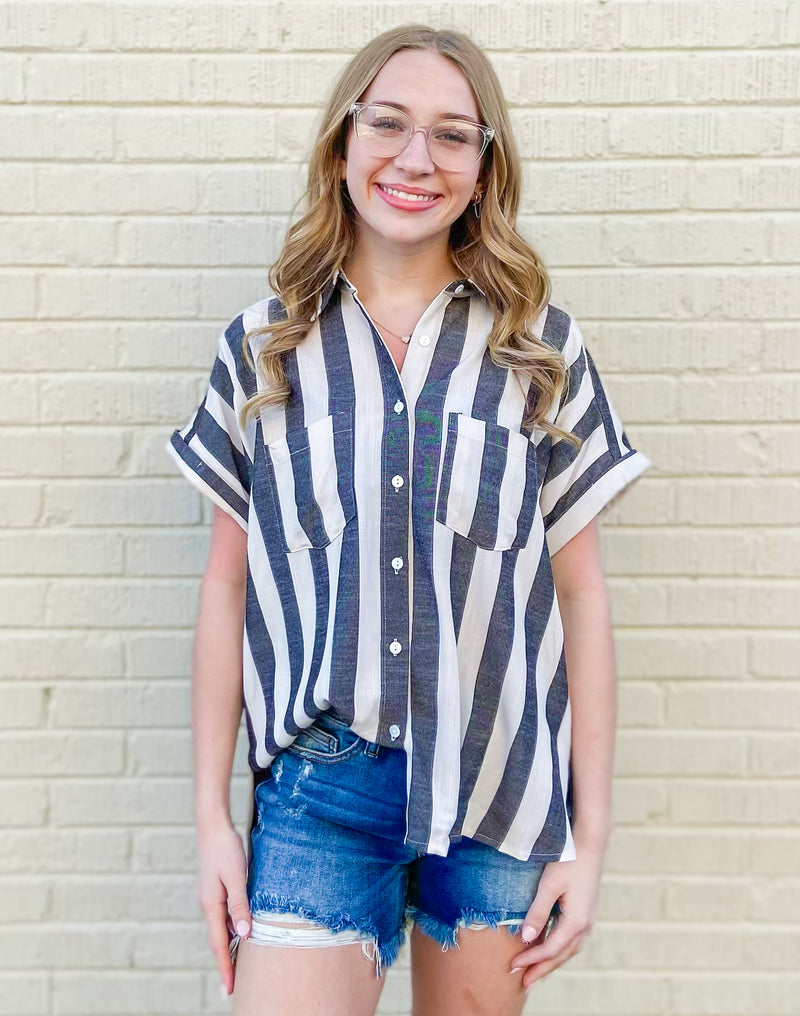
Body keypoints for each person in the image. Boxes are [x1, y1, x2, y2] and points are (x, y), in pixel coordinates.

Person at [165, 23, 651, 1016]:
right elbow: (226, 584)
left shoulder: (537, 349)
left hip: (499, 788)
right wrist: (212, 817)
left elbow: (580, 594)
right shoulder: (265, 347)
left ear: (483, 166)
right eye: (387, 123)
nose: (414, 158)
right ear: (343, 144)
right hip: (322, 787)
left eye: (450, 135)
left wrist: (587, 839)